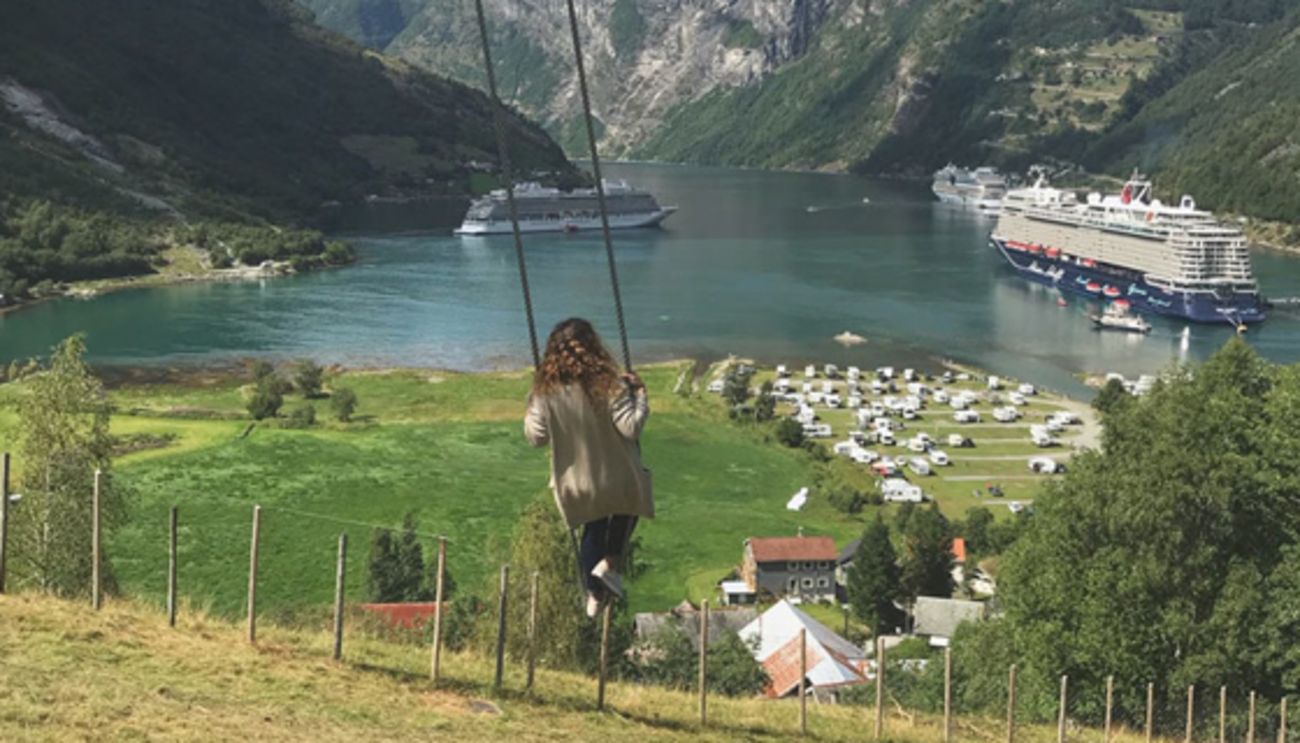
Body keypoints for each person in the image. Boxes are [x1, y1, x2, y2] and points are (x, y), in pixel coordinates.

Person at [524, 318, 652, 618]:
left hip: (576, 484)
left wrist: (532, 403)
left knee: (593, 526)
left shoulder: (546, 393)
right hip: (619, 478)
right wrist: (641, 396)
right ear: (594, 348)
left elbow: (536, 438)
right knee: (625, 507)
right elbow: (631, 428)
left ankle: (593, 594)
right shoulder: (611, 385)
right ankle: (609, 564)